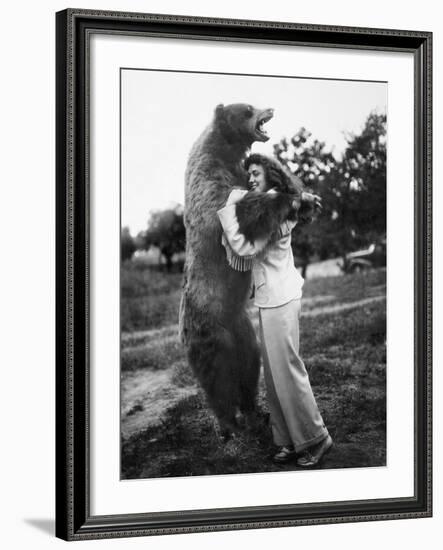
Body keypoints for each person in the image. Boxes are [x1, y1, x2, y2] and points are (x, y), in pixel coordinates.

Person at [217, 153, 332, 467]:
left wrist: (227, 212)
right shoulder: (273, 203)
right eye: (249, 174)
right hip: (270, 298)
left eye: (256, 172)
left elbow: (244, 247)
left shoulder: (274, 206)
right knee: (275, 374)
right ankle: (289, 440)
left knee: (289, 371)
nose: (251, 178)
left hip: (280, 296)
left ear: (270, 174)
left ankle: (316, 438)